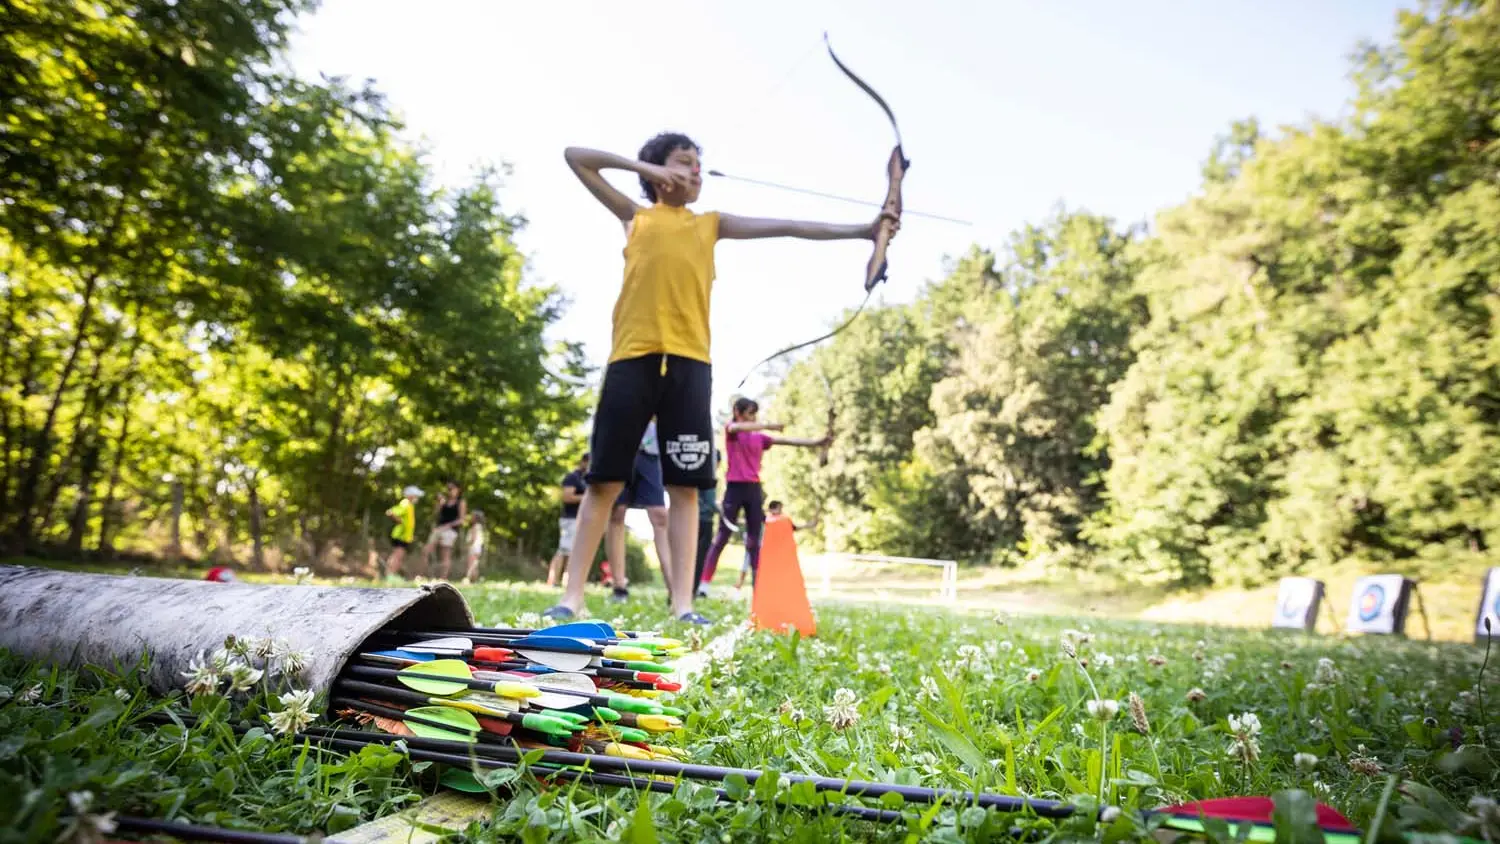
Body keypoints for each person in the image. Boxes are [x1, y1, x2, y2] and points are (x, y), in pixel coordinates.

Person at [541, 131, 896, 625]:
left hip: (691, 363)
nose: (695, 173)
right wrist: (649, 172)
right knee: (604, 480)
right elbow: (576, 157)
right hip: (631, 358)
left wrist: (865, 230)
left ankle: (684, 604)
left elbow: (790, 226)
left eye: (698, 166)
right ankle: (570, 597)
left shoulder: (710, 223)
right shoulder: (636, 216)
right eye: (684, 163)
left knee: (685, 488)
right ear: (661, 173)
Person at [700, 397, 830, 590]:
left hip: (753, 489)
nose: (753, 418)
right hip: (734, 487)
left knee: (754, 540)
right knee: (722, 536)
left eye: (755, 414)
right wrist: (769, 425)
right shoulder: (732, 430)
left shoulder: (760, 438)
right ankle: (704, 585)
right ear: (738, 412)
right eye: (750, 413)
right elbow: (735, 428)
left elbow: (788, 441)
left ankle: (758, 587)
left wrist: (816, 442)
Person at [604, 419, 673, 603]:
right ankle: (619, 587)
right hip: (619, 447)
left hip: (651, 452)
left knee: (660, 514)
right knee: (617, 513)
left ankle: (675, 590)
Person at [737, 500, 818, 589]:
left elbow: (793, 528)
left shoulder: (781, 520)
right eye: (779, 508)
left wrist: (808, 525)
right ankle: (741, 584)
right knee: (748, 562)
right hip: (755, 545)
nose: (781, 511)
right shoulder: (765, 518)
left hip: (766, 548)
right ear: (772, 509)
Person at [546, 454, 589, 587]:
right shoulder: (572, 477)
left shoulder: (585, 479)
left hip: (580, 519)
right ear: (583, 462)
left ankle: (566, 582)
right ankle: (553, 581)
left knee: (572, 551)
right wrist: (588, 497)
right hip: (569, 519)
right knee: (564, 550)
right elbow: (567, 497)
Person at [693, 449, 724, 599]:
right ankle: (695, 588)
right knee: (700, 557)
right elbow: (711, 503)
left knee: (690, 555)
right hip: (705, 521)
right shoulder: (709, 477)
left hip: (692, 520)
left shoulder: (695, 473)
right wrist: (724, 511)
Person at [423, 480, 466, 580]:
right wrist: (439, 502)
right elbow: (436, 513)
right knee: (426, 550)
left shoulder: (461, 502)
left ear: (458, 489)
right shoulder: (444, 501)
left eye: (452, 488)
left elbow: (461, 520)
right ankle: (425, 575)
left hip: (450, 531)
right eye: (448, 488)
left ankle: (443, 578)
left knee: (445, 554)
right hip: (439, 529)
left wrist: (447, 526)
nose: (449, 490)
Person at [384, 485, 423, 579]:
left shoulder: (410, 505)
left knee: (399, 556)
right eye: (416, 495)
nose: (417, 498)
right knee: (397, 555)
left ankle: (392, 575)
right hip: (399, 535)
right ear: (410, 495)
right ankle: (389, 575)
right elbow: (390, 512)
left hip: (405, 536)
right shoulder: (405, 503)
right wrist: (399, 521)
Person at [462, 511, 486, 584]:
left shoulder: (475, 526)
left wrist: (468, 545)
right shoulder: (479, 526)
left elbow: (473, 538)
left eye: (472, 516)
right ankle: (474, 580)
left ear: (476, 518)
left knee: (471, 564)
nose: (471, 518)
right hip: (477, 547)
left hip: (473, 547)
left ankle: (469, 579)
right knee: (474, 564)